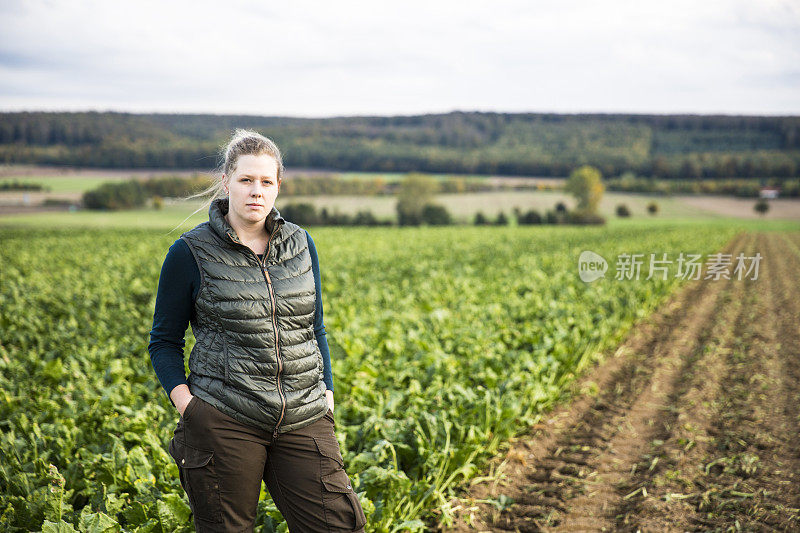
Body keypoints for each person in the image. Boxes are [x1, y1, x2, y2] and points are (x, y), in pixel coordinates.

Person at [148, 129, 367, 532]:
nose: (256, 191)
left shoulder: (300, 244)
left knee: (339, 525)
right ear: (226, 181)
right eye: (246, 180)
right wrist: (191, 408)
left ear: (278, 186)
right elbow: (164, 341)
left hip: (304, 414)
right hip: (226, 420)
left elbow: (314, 327)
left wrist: (328, 393)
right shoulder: (190, 252)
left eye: (266, 181)